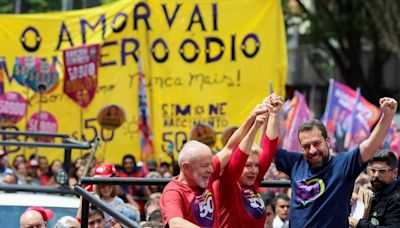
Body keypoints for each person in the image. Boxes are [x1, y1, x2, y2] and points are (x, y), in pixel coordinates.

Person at [274, 97, 397, 227]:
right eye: (306, 146)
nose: (312, 150)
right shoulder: (295, 162)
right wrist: (272, 115)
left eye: (316, 143)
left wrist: (387, 115)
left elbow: (371, 145)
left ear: (327, 141)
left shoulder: (344, 164)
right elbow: (268, 150)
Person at [160, 102, 270, 227]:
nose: (211, 169)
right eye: (205, 165)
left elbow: (230, 148)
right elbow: (175, 223)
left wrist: (253, 119)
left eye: (210, 164)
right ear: (186, 167)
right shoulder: (174, 191)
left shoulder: (205, 174)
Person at [215, 94, 282, 227]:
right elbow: (238, 159)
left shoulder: (253, 182)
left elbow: (268, 150)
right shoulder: (227, 184)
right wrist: (255, 126)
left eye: (256, 165)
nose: (254, 170)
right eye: (248, 165)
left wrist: (273, 114)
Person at [349, 150, 400, 227]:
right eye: (373, 170)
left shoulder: (396, 199)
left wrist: (359, 224)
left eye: (382, 171)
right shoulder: (376, 191)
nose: (376, 175)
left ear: (395, 173)